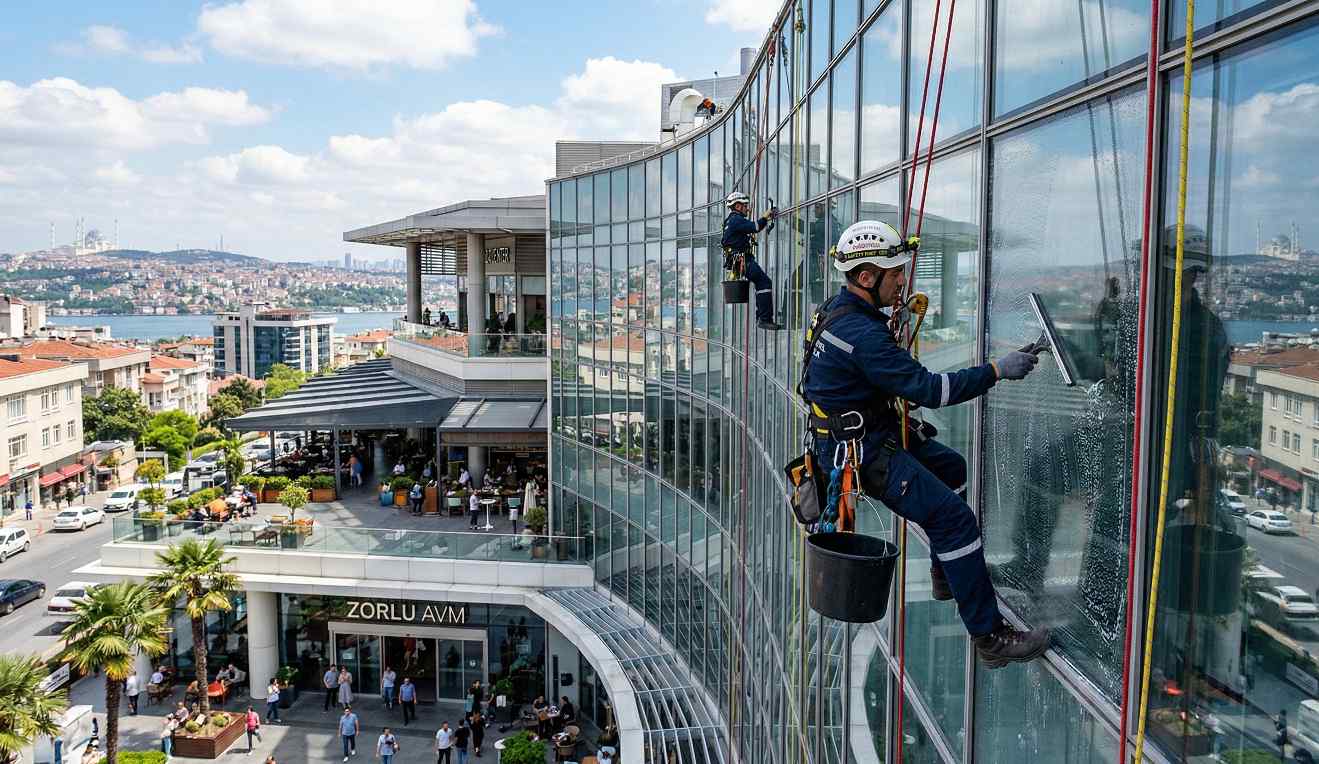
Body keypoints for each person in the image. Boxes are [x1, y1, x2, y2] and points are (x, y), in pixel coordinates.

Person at [800, 219, 1049, 668]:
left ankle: (945, 574)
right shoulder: (863, 335)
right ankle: (990, 638)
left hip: (859, 436)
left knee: (952, 467)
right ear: (866, 277)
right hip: (864, 452)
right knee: (956, 522)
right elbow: (932, 390)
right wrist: (997, 370)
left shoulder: (840, 313)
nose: (902, 282)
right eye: (895, 275)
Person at [721, 190, 781, 330]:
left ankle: (763, 314)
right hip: (742, 259)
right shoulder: (736, 220)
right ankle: (764, 318)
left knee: (761, 282)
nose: (747, 208)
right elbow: (755, 227)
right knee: (764, 282)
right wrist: (766, 217)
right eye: (745, 205)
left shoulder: (731, 220)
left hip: (739, 259)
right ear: (737, 206)